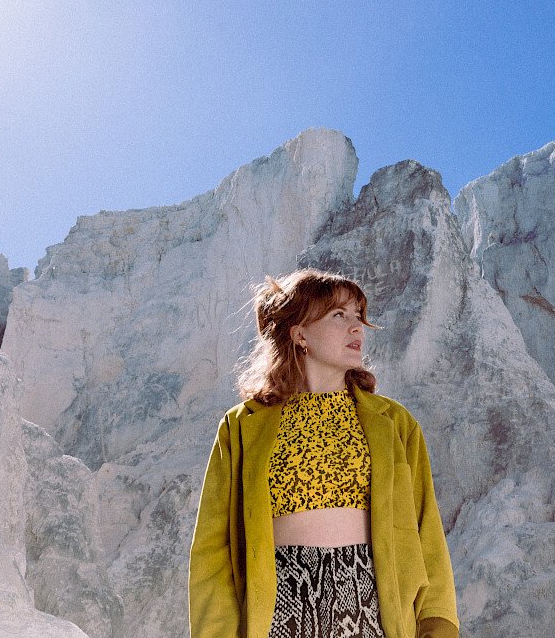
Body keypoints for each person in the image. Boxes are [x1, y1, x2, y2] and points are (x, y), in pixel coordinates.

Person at [188, 268, 459, 638]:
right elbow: (212, 550)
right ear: (300, 334)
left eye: (358, 316)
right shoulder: (241, 426)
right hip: (280, 609)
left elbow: (428, 534)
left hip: (374, 607)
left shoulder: (395, 424)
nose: (357, 327)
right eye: (339, 315)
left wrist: (438, 624)